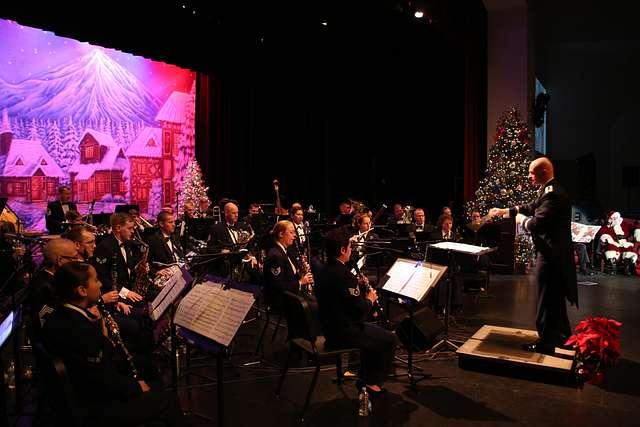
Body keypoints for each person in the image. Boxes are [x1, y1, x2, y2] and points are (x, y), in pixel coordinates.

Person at [42, 262, 186, 427]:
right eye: (96, 280)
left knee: (145, 365)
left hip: (83, 392)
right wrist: (136, 387)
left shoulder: (62, 315)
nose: (101, 284)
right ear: (82, 291)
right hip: (95, 407)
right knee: (168, 401)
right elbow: (101, 380)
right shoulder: (81, 330)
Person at [490, 157, 578, 355]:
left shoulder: (554, 194)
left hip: (551, 257)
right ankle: (564, 338)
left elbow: (537, 224)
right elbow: (531, 206)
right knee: (555, 300)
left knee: (546, 301)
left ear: (544, 172)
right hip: (554, 256)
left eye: (531, 173)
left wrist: (521, 221)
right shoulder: (548, 189)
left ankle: (546, 344)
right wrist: (505, 211)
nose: (529, 176)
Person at [314, 229, 398, 395]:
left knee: (375, 335)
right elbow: (359, 312)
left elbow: (340, 298)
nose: (351, 250)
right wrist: (370, 300)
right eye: (350, 247)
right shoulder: (345, 275)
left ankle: (364, 377)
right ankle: (372, 383)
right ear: (343, 250)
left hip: (328, 328)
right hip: (343, 333)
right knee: (390, 339)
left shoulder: (323, 271)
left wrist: (356, 287)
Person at [263, 220, 314, 309]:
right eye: (291, 232)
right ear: (281, 234)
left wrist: (301, 270)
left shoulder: (287, 250)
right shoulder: (275, 256)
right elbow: (277, 286)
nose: (295, 236)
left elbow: (291, 272)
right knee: (316, 305)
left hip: (292, 293)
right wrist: (301, 282)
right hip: (283, 299)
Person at [147, 211, 183, 278]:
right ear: (161, 224)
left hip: (178, 272)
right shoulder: (153, 240)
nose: (174, 224)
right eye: (170, 222)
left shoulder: (174, 237)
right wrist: (156, 272)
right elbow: (146, 263)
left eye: (174, 222)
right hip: (165, 276)